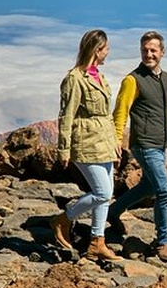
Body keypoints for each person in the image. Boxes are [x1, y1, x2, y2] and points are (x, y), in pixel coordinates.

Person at [109, 30, 167, 262]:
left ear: (162, 53)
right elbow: (121, 112)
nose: (149, 54)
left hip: (160, 144)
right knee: (164, 190)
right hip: (144, 144)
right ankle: (163, 242)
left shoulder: (166, 78)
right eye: (145, 50)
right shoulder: (132, 80)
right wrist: (117, 139)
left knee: (147, 187)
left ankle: (113, 211)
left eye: (153, 50)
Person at [53, 28, 123, 262]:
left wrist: (115, 142)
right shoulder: (74, 78)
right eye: (106, 49)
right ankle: (64, 218)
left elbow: (107, 115)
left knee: (107, 193)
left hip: (104, 141)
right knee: (102, 192)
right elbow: (66, 115)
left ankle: (97, 242)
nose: (108, 53)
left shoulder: (99, 76)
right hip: (85, 143)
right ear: (96, 50)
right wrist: (63, 148)